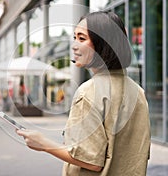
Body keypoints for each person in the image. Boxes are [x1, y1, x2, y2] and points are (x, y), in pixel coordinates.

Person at [16, 11, 151, 175]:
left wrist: (43, 143)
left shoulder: (89, 92)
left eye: (82, 38)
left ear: (103, 44)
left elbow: (90, 161)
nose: (74, 45)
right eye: (74, 37)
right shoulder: (137, 91)